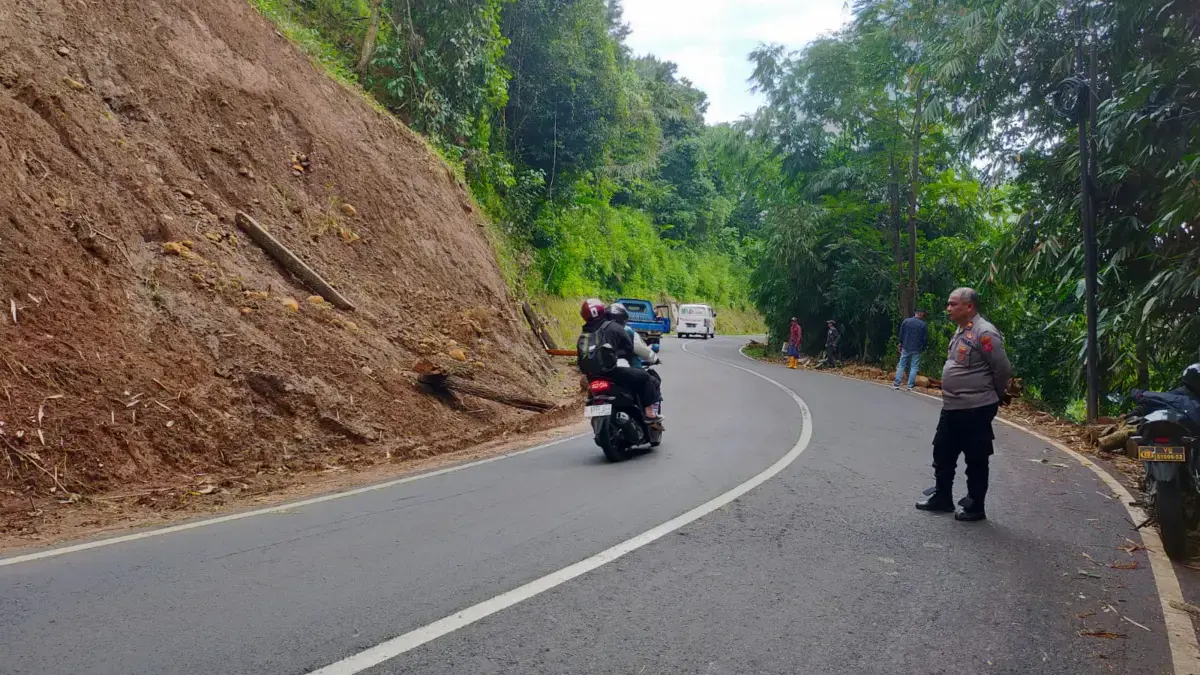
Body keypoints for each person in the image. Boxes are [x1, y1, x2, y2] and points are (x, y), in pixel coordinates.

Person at [916, 288, 1012, 522]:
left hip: (976, 407)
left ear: (969, 307)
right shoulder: (962, 330)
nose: (948, 308)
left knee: (976, 456)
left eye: (953, 304)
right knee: (943, 450)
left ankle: (975, 505)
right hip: (953, 406)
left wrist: (998, 394)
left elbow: (1002, 368)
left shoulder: (985, 333)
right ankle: (942, 497)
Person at [577, 299, 662, 421]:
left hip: (592, 375)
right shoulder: (617, 328)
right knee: (645, 377)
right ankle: (649, 413)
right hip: (613, 371)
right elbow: (629, 348)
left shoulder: (585, 332)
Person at [893, 309, 929, 391]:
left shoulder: (906, 321)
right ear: (920, 314)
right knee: (914, 366)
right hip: (917, 349)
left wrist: (900, 343)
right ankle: (910, 386)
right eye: (923, 314)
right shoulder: (923, 325)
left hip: (906, 346)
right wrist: (923, 347)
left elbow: (901, 334)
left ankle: (896, 384)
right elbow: (925, 339)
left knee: (902, 365)